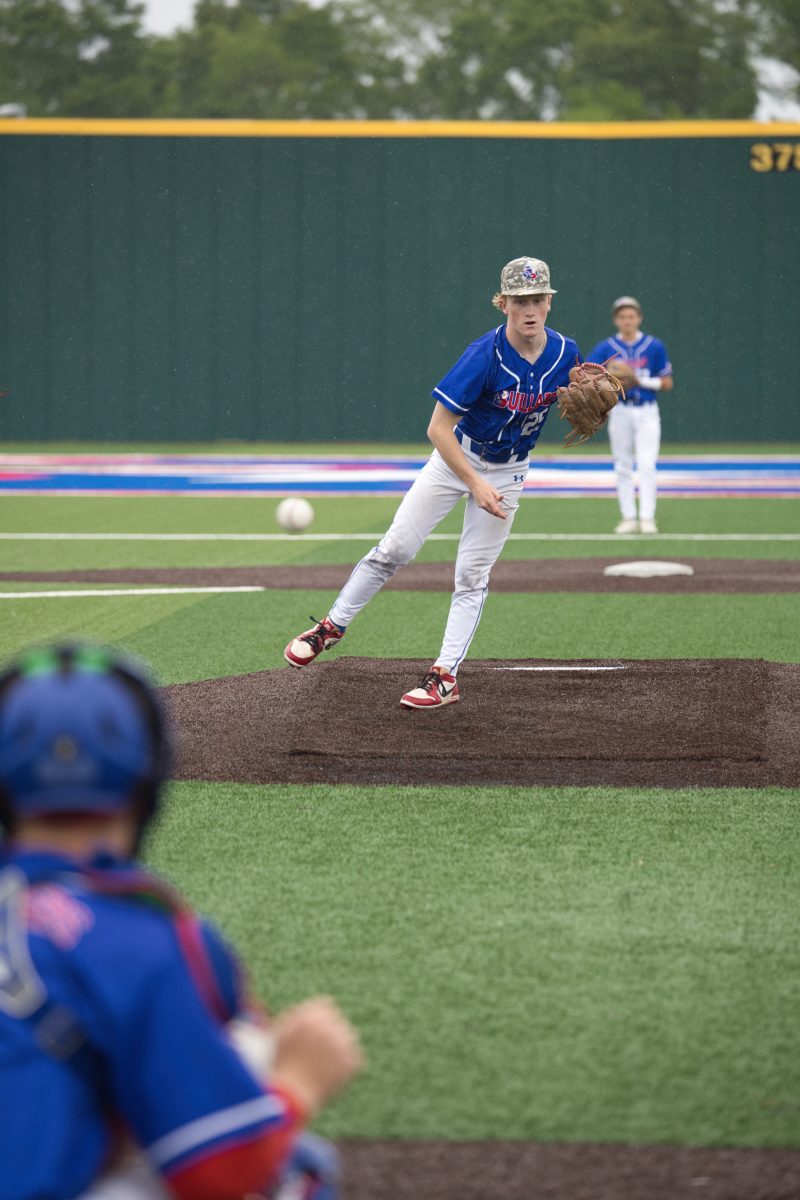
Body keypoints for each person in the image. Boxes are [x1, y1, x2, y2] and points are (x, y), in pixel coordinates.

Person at [0, 643, 362, 1200]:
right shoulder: (138, 936)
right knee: (294, 1174)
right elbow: (221, 1168)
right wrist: (300, 1080)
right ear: (146, 778)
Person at [284, 255, 584, 709]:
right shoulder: (483, 355)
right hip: (454, 459)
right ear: (502, 303)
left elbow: (582, 391)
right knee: (395, 549)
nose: (529, 309)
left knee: (472, 575)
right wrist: (475, 483)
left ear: (549, 303)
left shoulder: (566, 353)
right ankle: (330, 627)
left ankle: (444, 677)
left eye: (537, 299)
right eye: (519, 300)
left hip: (510, 470)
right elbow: (438, 429)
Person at [587, 296, 674, 534]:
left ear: (639, 318)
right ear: (616, 320)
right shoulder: (606, 348)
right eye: (622, 317)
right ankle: (628, 517)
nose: (627, 320)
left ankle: (647, 518)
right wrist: (606, 381)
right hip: (620, 410)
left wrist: (638, 380)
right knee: (623, 465)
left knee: (647, 465)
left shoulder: (654, 346)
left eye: (631, 316)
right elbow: (587, 375)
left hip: (646, 410)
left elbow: (667, 383)